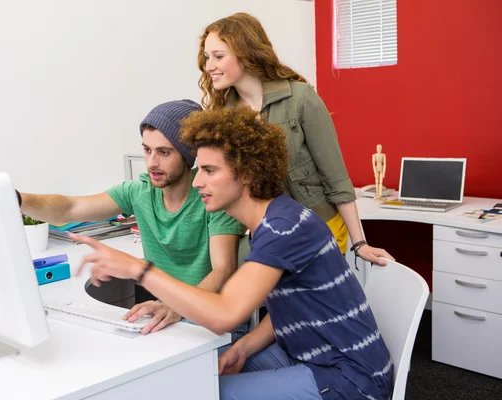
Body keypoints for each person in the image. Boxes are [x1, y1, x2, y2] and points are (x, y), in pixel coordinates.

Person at [71, 107, 393, 399]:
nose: (197, 182)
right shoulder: (272, 221)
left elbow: (225, 313)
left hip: (349, 379)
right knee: (196, 375)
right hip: (306, 354)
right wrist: (243, 348)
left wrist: (139, 269)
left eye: (210, 171)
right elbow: (297, 306)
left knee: (205, 391)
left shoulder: (285, 228)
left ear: (247, 173)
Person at [19, 99, 244, 335]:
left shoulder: (214, 195)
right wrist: (16, 200)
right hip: (172, 318)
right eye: (147, 150)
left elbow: (222, 270)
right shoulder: (140, 193)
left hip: (213, 323)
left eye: (164, 152)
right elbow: (68, 208)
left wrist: (177, 308)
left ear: (190, 153)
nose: (152, 163)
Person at [197, 12, 394, 265]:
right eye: (206, 57)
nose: (209, 66)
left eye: (218, 56)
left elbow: (335, 177)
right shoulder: (224, 116)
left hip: (320, 227)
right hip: (269, 234)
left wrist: (359, 243)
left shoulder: (300, 98)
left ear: (245, 54)